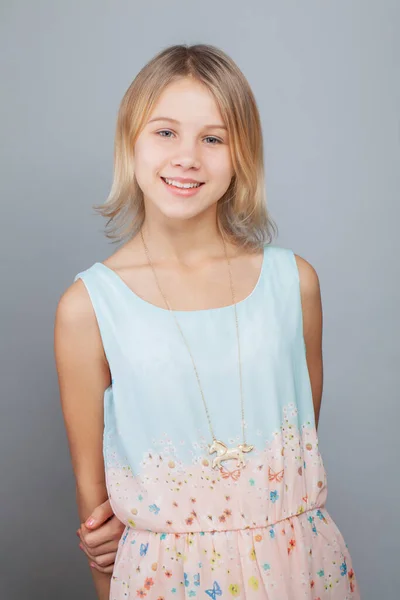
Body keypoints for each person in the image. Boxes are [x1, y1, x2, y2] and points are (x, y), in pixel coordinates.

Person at [55, 43, 360, 600]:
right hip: (165, 580)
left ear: (243, 154)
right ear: (130, 141)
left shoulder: (294, 285)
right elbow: (95, 514)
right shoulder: (88, 306)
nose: (187, 157)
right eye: (165, 132)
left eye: (213, 138)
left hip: (299, 570)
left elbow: (296, 442)